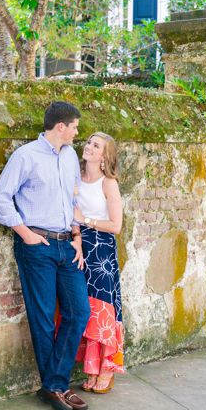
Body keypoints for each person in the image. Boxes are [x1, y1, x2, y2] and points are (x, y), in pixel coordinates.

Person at [0, 101, 90, 410]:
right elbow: (0, 197)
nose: (77, 131)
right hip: (38, 246)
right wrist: (25, 233)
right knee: (44, 319)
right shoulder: (26, 156)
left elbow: (73, 197)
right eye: (74, 125)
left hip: (66, 244)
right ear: (61, 126)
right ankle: (57, 387)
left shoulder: (71, 156)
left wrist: (77, 236)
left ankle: (53, 385)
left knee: (79, 312)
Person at [73, 132, 124, 394]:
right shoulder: (75, 175)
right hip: (79, 246)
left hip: (101, 250)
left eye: (96, 145)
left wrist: (85, 221)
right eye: (88, 142)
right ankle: (91, 368)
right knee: (86, 306)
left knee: (102, 308)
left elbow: (116, 225)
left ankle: (106, 368)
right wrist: (77, 230)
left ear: (104, 156)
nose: (89, 147)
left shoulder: (108, 182)